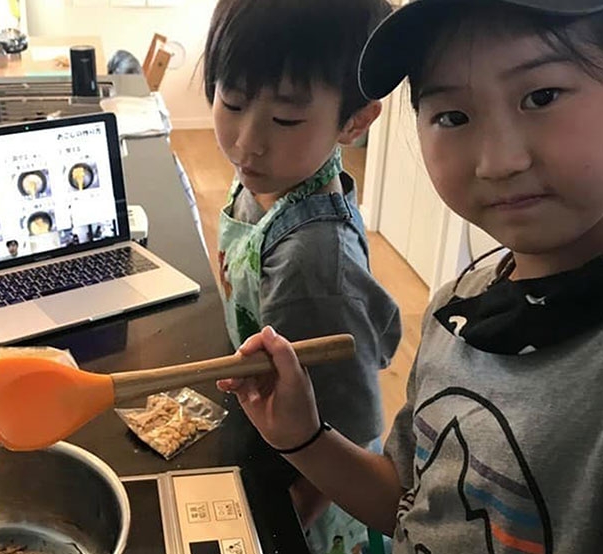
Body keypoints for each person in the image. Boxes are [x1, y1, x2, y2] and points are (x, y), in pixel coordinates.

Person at [220, 1, 603, 552]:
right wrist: (303, 437)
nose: (499, 162)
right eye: (453, 116)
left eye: (541, 97)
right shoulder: (458, 308)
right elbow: (411, 502)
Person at [203, 0, 401, 550]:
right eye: (232, 100)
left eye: (286, 119)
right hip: (266, 423)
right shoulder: (271, 175)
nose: (247, 142)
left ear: (355, 121)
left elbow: (353, 420)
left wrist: (291, 516)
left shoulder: (313, 259)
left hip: (317, 487)